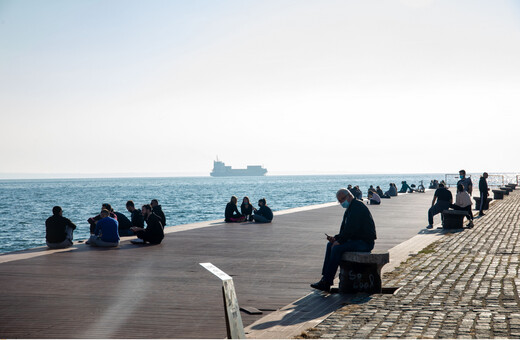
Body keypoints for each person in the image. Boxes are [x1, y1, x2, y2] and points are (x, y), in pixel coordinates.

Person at [310, 188, 376, 292]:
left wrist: (339, 241)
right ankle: (325, 278)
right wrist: (336, 238)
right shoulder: (350, 208)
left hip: (365, 242)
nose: (341, 203)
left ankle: (327, 281)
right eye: (339, 201)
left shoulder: (357, 207)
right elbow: (345, 230)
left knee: (337, 248)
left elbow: (352, 229)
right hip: (356, 240)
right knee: (330, 245)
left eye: (342, 200)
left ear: (349, 196)